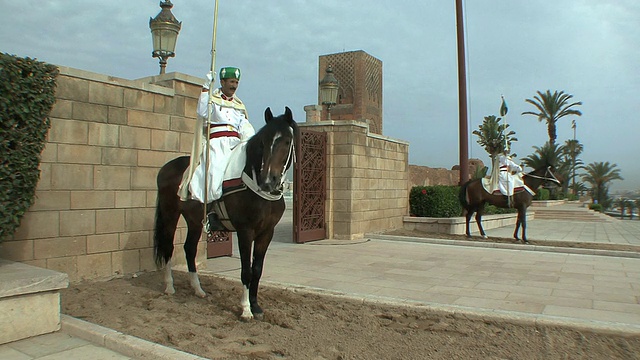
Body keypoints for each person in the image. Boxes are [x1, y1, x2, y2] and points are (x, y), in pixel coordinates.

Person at [178, 66, 255, 209]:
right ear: (223, 82)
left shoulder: (238, 105)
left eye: (236, 83)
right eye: (231, 82)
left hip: (236, 143)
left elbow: (244, 125)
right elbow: (202, 112)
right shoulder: (211, 100)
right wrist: (206, 88)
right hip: (217, 144)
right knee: (215, 173)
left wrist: (251, 139)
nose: (234, 86)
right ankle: (212, 210)